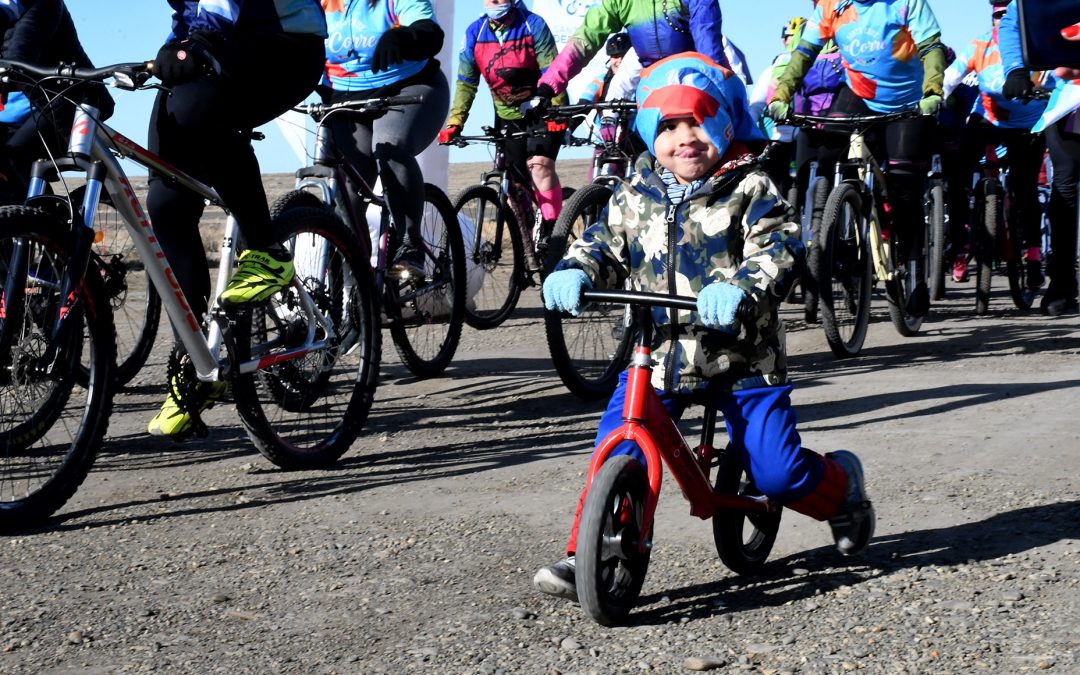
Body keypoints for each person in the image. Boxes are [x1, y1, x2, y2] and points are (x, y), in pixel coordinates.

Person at [533, 53, 876, 601]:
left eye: (698, 121)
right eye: (668, 126)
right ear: (650, 133)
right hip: (661, 353)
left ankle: (841, 490)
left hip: (742, 357)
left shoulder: (751, 188)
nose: (684, 138)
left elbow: (781, 247)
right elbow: (602, 242)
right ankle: (587, 552)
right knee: (616, 445)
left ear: (724, 123)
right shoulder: (633, 193)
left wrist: (741, 286)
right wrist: (573, 268)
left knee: (777, 475)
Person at [146, 0, 327, 437]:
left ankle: (267, 250)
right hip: (220, 37)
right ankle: (195, 365)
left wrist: (199, 41)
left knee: (197, 109)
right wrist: (178, 47)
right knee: (165, 202)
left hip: (285, 42)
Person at [769, 0, 947, 319]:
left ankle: (914, 266)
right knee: (828, 150)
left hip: (907, 102)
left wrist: (933, 90)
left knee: (904, 185)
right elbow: (804, 53)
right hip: (859, 94)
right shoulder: (831, 7)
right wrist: (782, 93)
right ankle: (843, 231)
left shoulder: (906, 4)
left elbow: (932, 47)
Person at [321, 0, 449, 278]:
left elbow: (429, 30)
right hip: (346, 97)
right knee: (345, 188)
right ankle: (359, 289)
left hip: (409, 87)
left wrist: (403, 35)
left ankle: (410, 242)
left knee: (388, 146)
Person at [439, 0, 566, 247]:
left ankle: (554, 233)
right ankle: (525, 247)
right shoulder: (475, 32)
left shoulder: (533, 24)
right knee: (513, 186)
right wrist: (456, 122)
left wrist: (557, 113)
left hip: (544, 110)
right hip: (507, 115)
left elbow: (553, 70)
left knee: (539, 166)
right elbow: (466, 82)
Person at [944, 0, 1047, 292]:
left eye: (1006, 16)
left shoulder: (1036, 47)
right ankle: (960, 245)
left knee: (1024, 189)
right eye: (997, 17)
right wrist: (934, 99)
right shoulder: (979, 46)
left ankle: (1033, 256)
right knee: (958, 176)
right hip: (986, 120)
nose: (1001, 22)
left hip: (1027, 126)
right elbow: (951, 78)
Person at [1000, 2, 1080, 315]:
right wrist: (1016, 69)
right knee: (1065, 182)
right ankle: (1061, 282)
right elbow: (1012, 22)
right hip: (1071, 98)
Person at [523, 0, 734, 115]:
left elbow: (709, 48)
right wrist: (547, 88)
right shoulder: (621, 2)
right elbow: (584, 40)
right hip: (655, 93)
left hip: (700, 85)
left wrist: (715, 91)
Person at [0, 0, 113, 202]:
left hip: (67, 104)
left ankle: (42, 226)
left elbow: (21, 48)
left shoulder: (43, 5)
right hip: (15, 115)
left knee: (13, 158)